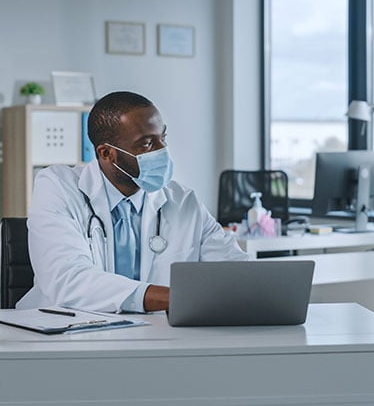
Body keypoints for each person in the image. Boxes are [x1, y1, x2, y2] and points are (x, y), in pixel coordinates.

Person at [16, 91, 248, 313]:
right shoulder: (57, 186)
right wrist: (178, 297)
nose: (163, 150)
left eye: (162, 138)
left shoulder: (183, 201)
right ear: (107, 153)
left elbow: (236, 273)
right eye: (147, 144)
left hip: (156, 336)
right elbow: (68, 279)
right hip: (67, 335)